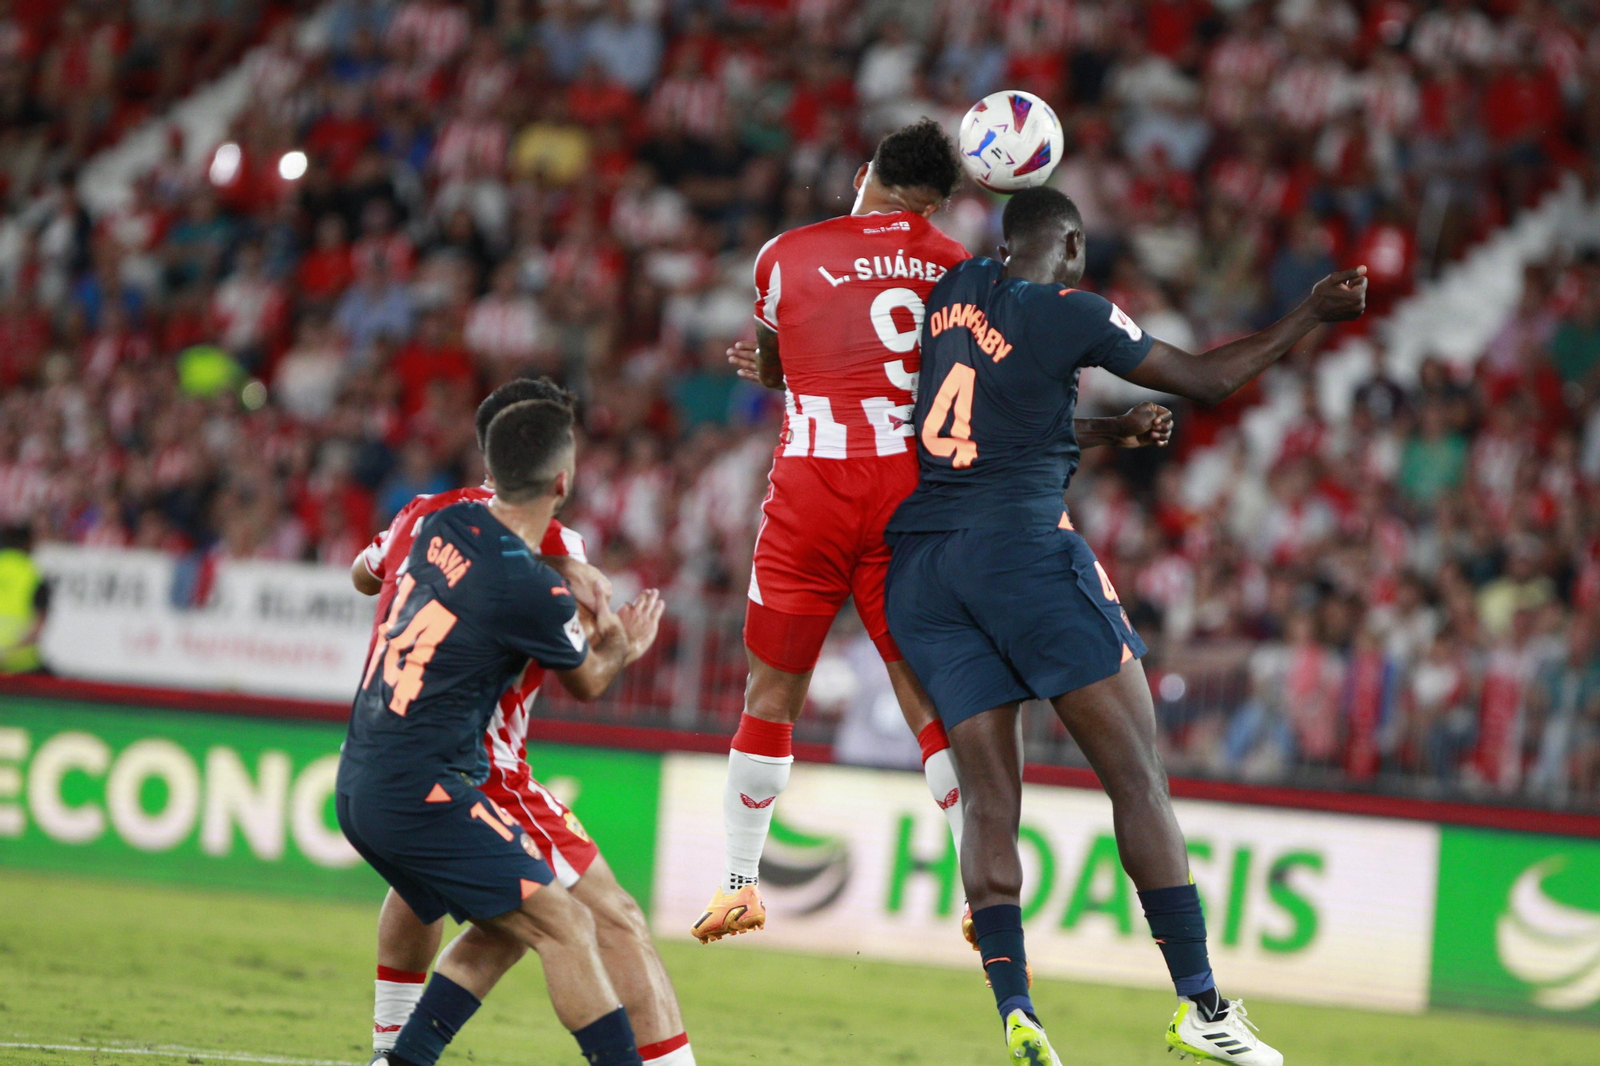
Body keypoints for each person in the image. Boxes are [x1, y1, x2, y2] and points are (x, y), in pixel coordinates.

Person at [883, 185, 1366, 1066]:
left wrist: (1110, 431)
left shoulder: (954, 291)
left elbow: (994, 420)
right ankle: (1201, 1005)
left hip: (925, 572)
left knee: (989, 800)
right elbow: (1210, 379)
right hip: (1022, 556)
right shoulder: (1073, 309)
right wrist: (1310, 314)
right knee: (1139, 779)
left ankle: (1016, 1009)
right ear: (1070, 246)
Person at [699, 118, 1172, 943]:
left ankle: (739, 883)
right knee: (932, 700)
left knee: (770, 691)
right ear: (938, 204)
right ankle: (974, 893)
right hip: (909, 497)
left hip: (812, 488)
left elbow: (782, 360)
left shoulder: (784, 254)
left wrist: (772, 368)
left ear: (864, 173)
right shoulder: (956, 267)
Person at [352, 378, 695, 1066]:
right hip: (481, 763)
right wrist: (618, 638)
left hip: (386, 729)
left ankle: (395, 1049)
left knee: (485, 917)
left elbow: (364, 575)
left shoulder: (426, 514)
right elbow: (583, 662)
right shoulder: (558, 544)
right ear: (560, 470)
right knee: (607, 918)